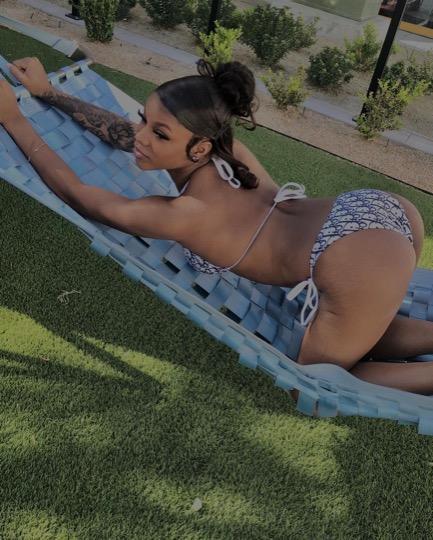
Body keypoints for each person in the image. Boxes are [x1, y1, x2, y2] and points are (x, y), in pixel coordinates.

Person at [0, 57, 431, 394]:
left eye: (160, 134)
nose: (142, 136)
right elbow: (122, 133)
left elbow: (78, 195)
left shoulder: (186, 214)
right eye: (144, 118)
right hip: (378, 211)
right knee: (363, 325)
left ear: (199, 148)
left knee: (313, 386)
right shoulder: (227, 150)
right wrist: (48, 92)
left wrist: (14, 118)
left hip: (357, 258)